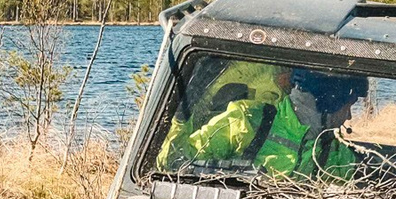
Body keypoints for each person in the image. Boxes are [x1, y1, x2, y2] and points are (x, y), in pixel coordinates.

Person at [154, 64, 363, 178]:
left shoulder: (335, 153)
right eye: (348, 106)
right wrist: (180, 117)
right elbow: (170, 164)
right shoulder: (247, 122)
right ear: (328, 102)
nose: (349, 117)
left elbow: (363, 178)